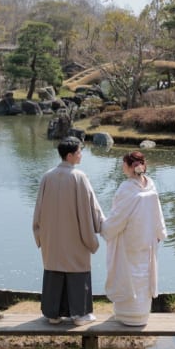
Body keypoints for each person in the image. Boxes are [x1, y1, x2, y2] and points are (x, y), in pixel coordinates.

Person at [32, 136, 105, 326]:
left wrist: (40, 233)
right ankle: (79, 314)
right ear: (71, 155)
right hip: (75, 235)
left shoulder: (47, 176)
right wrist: (104, 226)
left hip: (52, 237)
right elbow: (92, 207)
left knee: (54, 270)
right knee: (76, 270)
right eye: (80, 151)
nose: (81, 155)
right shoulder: (79, 177)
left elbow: (38, 210)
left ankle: (53, 314)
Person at [101, 150, 167, 327]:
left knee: (128, 273)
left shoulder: (126, 188)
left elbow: (117, 217)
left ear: (130, 167)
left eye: (124, 164)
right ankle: (141, 314)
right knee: (144, 274)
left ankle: (127, 315)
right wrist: (159, 233)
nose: (122, 167)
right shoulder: (150, 184)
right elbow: (157, 213)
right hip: (147, 238)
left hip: (129, 239)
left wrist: (104, 228)